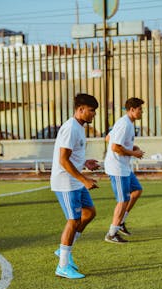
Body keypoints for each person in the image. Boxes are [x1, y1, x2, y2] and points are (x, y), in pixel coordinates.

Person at [50, 93, 100, 279]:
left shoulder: (79, 127)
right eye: (91, 110)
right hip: (66, 182)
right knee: (73, 220)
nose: (94, 114)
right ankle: (62, 266)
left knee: (89, 212)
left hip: (74, 181)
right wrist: (84, 179)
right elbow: (63, 160)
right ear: (80, 110)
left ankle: (64, 249)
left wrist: (85, 162)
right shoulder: (71, 128)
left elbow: (71, 155)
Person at [104, 97, 145, 244]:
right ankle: (111, 233)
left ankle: (120, 222)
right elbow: (115, 147)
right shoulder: (124, 124)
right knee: (123, 200)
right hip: (117, 167)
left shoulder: (126, 123)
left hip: (124, 166)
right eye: (140, 109)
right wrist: (134, 153)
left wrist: (131, 148)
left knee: (137, 190)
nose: (142, 112)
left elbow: (109, 138)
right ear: (132, 110)